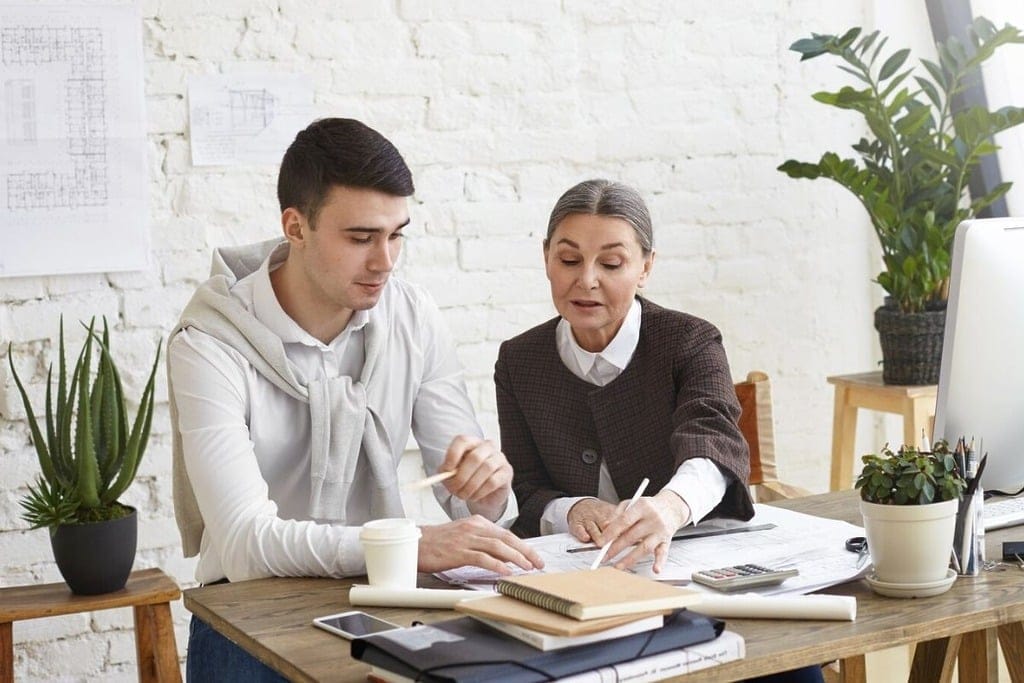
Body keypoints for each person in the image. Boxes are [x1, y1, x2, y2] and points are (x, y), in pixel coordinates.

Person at [168, 117, 542, 682]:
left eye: (397, 235)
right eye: (361, 238)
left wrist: (486, 488)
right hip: (249, 615)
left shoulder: (411, 314)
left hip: (383, 605)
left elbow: (469, 510)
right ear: (295, 226)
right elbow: (246, 544)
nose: (385, 261)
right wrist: (409, 543)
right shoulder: (210, 344)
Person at [494, 179, 822, 683]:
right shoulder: (519, 360)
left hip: (692, 576)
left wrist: (668, 508)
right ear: (545, 259)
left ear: (646, 266)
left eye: (611, 263)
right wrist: (573, 509)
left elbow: (713, 443)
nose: (587, 281)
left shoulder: (690, 342)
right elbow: (527, 490)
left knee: (784, 667)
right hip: (583, 593)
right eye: (568, 260)